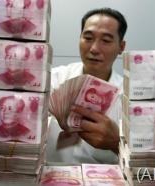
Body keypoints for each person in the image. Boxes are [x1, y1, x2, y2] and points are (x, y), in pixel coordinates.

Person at [46, 7, 127, 164]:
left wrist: (116, 143)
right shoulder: (53, 81)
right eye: (88, 38)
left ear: (121, 47)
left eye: (106, 41)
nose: (94, 48)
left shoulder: (129, 97)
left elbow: (141, 164)